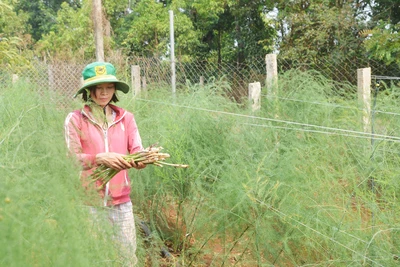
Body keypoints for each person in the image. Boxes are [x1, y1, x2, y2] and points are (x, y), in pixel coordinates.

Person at [64, 61, 145, 266]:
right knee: (92, 257)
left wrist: (143, 158)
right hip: (88, 202)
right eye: (98, 88)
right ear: (88, 91)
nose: (103, 93)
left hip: (121, 203)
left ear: (115, 90)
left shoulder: (126, 119)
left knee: (127, 258)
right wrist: (99, 158)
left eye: (109, 87)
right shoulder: (75, 120)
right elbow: (72, 159)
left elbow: (137, 150)